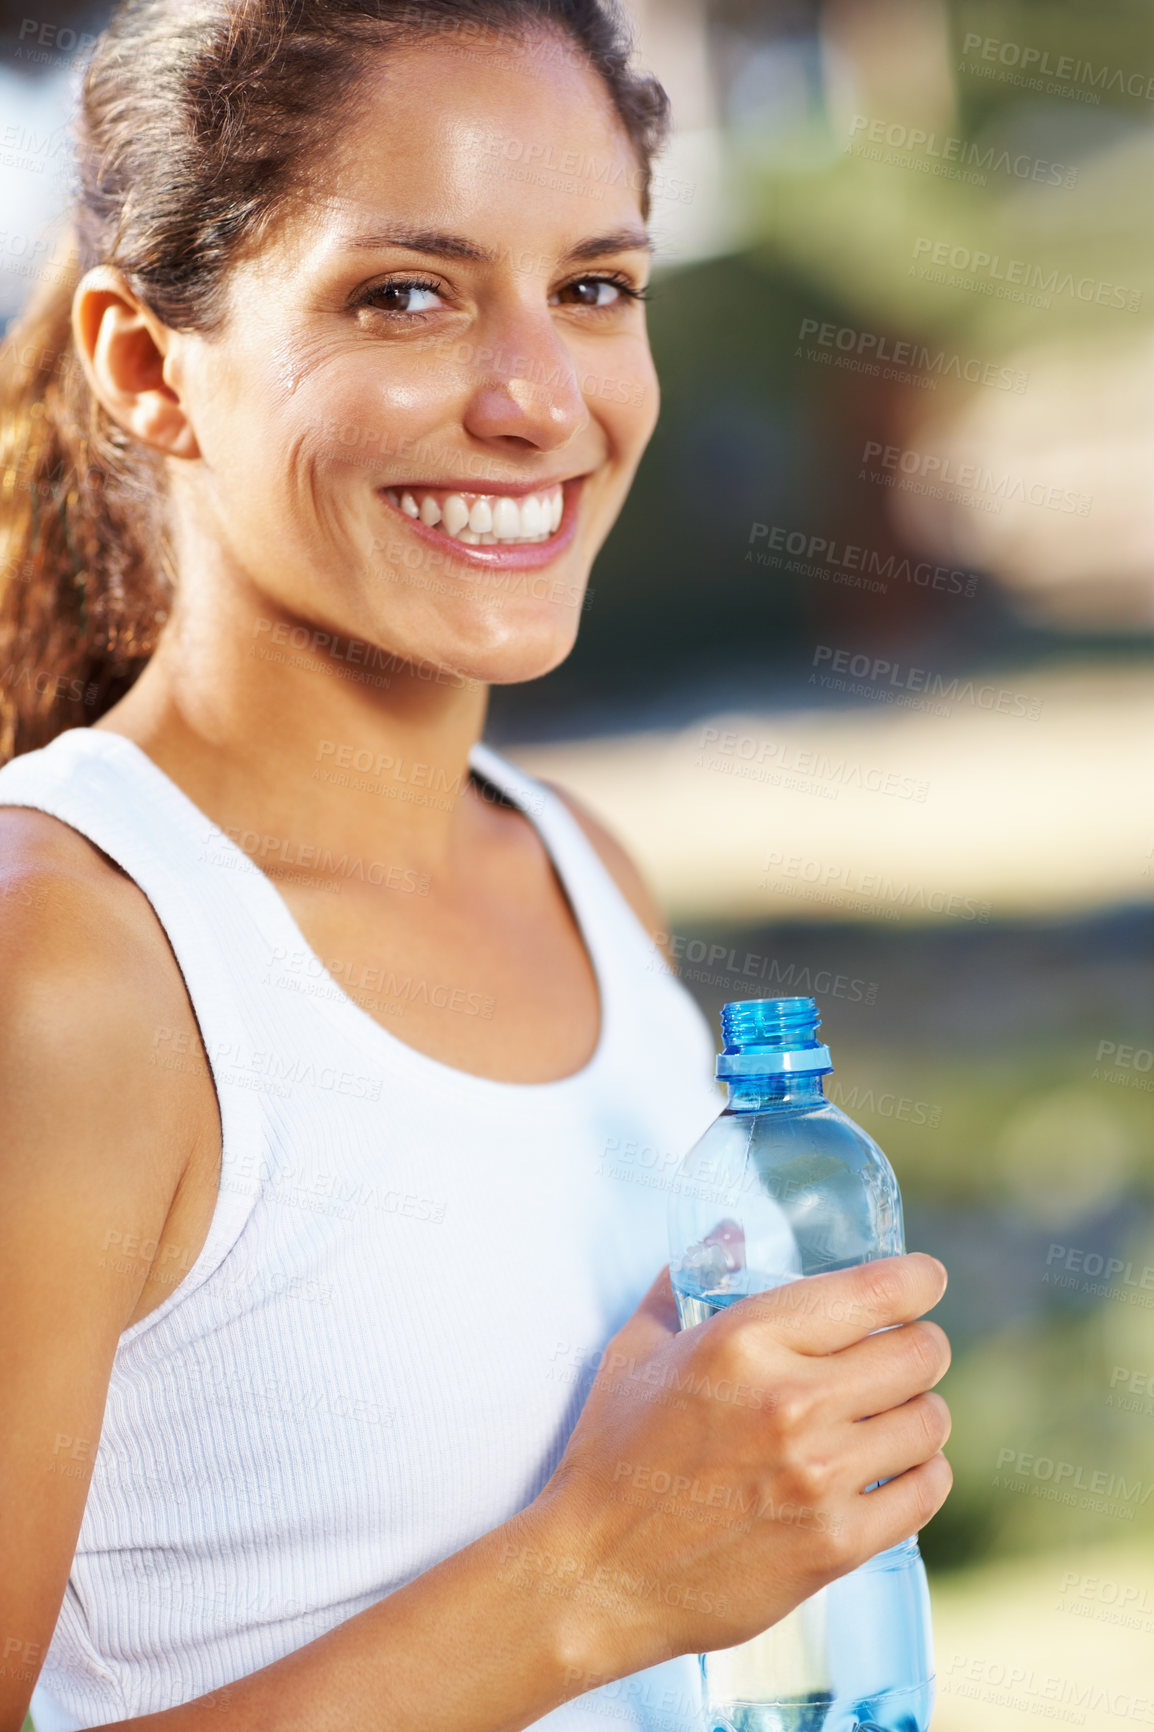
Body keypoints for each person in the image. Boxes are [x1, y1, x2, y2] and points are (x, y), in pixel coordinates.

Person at [0, 3, 953, 1728]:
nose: (536, 402)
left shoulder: (575, 871)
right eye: (406, 294)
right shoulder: (64, 968)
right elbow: (607, 1578)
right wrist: (588, 1581)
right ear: (146, 367)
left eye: (592, 286)